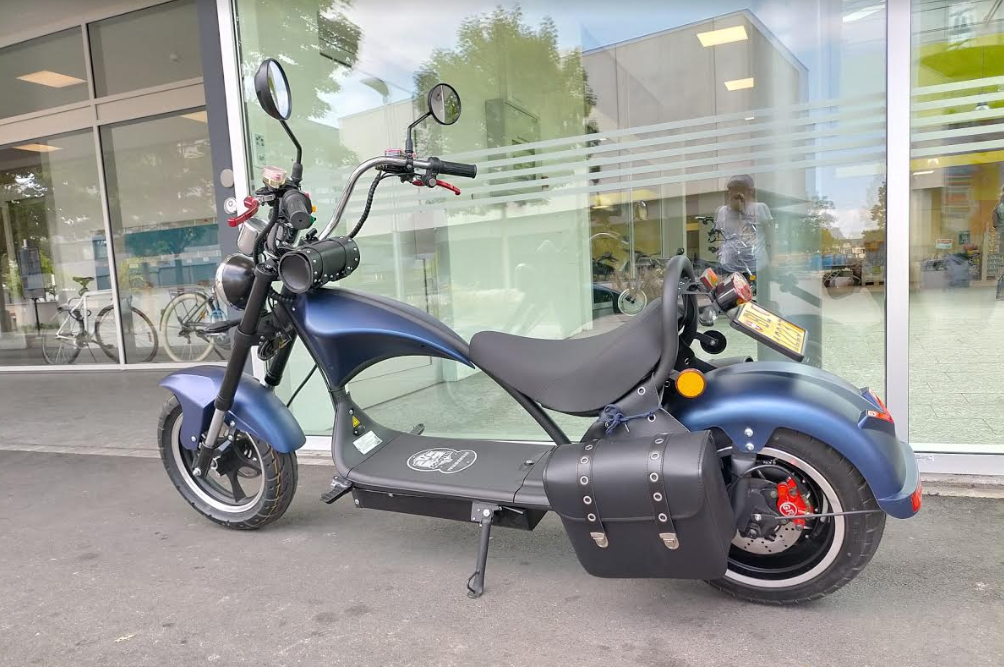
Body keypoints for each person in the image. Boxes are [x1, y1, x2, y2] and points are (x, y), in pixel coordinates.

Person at [713, 174, 774, 280]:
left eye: (739, 190)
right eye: (732, 190)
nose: (735, 194)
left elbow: (771, 236)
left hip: (756, 266)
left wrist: (772, 260)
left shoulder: (760, 208)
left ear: (749, 191)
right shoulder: (722, 211)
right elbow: (719, 237)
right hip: (730, 267)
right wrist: (720, 256)